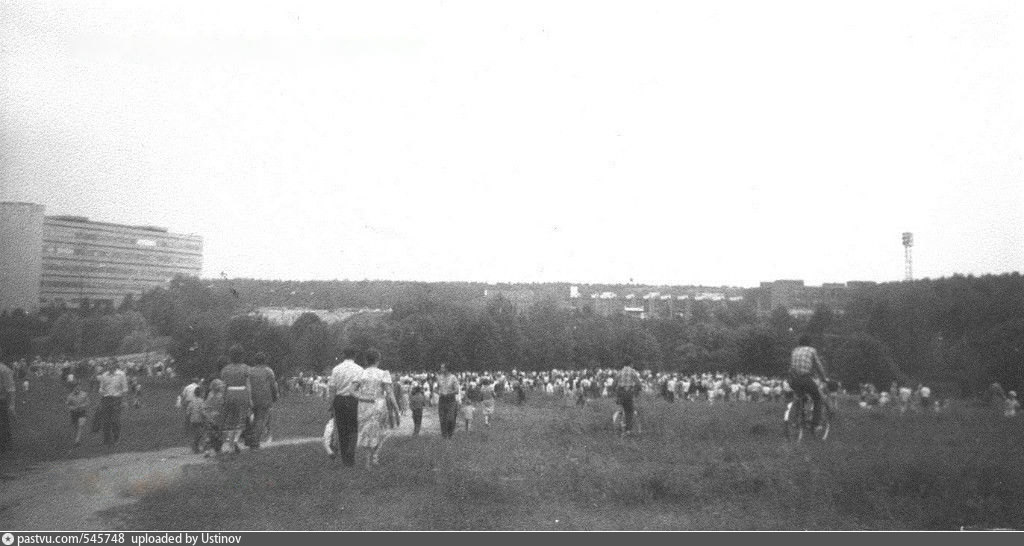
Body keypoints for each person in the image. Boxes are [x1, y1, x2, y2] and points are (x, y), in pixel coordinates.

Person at [354, 348, 397, 468]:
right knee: (381, 431)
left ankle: (368, 461)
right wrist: (396, 407)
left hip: (363, 406)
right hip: (378, 405)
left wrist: (362, 397)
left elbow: (352, 390)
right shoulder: (383, 373)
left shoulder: (361, 373)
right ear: (378, 360)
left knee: (366, 432)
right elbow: (390, 393)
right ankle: (375, 456)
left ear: (366, 360)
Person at [328, 348, 363, 466]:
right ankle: (351, 452)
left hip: (339, 399)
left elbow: (332, 388)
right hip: (353, 400)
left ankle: (345, 459)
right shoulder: (359, 369)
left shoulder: (336, 369)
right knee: (354, 427)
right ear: (355, 355)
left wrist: (330, 404)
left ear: (343, 355)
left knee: (342, 429)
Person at [788, 335, 829, 430]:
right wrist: (823, 378)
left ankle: (796, 421)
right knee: (817, 399)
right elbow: (818, 365)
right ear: (809, 343)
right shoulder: (812, 350)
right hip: (805, 378)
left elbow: (791, 366)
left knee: (800, 397)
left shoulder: (794, 350)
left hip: (793, 379)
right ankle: (816, 424)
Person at [220, 345, 253, 454]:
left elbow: (224, 385)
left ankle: (230, 445)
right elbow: (248, 385)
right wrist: (250, 399)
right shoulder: (246, 368)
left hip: (230, 393)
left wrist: (223, 397)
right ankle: (235, 439)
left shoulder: (225, 369)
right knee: (241, 419)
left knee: (231, 420)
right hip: (242, 393)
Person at [246, 351, 279, 448]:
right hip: (264, 398)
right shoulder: (268, 371)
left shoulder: (250, 371)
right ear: (264, 361)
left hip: (251, 397)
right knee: (260, 419)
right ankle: (255, 441)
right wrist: (275, 396)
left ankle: (250, 437)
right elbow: (273, 385)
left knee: (253, 418)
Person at [96, 358, 128, 446]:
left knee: (115, 420)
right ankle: (106, 440)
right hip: (106, 399)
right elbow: (101, 388)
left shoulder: (121, 374)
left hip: (117, 399)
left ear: (115, 365)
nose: (109, 366)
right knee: (106, 421)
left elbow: (125, 389)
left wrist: (124, 401)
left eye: (111, 364)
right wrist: (100, 400)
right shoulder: (104, 375)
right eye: (108, 364)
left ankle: (116, 438)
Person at [614, 361, 643, 435]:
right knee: (629, 411)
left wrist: (616, 392)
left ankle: (619, 425)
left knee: (621, 408)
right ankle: (628, 430)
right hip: (629, 393)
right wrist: (636, 391)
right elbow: (639, 384)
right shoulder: (632, 371)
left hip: (620, 392)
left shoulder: (620, 372)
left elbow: (614, 384)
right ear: (631, 364)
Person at [436, 362, 460, 439]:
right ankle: (444, 435)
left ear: (447, 369)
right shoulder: (439, 377)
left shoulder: (453, 378)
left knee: (451, 418)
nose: (441, 369)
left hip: (451, 400)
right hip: (442, 399)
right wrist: (438, 392)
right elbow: (436, 388)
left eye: (442, 367)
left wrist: (449, 393)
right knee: (442, 418)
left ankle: (450, 435)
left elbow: (457, 390)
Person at [66, 382, 90, 447]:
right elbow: (68, 404)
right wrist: (72, 408)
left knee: (80, 425)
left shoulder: (84, 394)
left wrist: (82, 405)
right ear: (73, 389)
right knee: (75, 426)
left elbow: (88, 402)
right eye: (75, 388)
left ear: (80, 388)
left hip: (82, 412)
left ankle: (77, 440)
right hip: (74, 413)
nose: (77, 389)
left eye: (78, 387)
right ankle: (75, 439)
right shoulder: (70, 396)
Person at [1, 356, 16, 453]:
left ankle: (5, 446)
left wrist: (11, 405)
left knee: (3, 424)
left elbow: (11, 389)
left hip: (1, 400)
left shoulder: (4, 370)